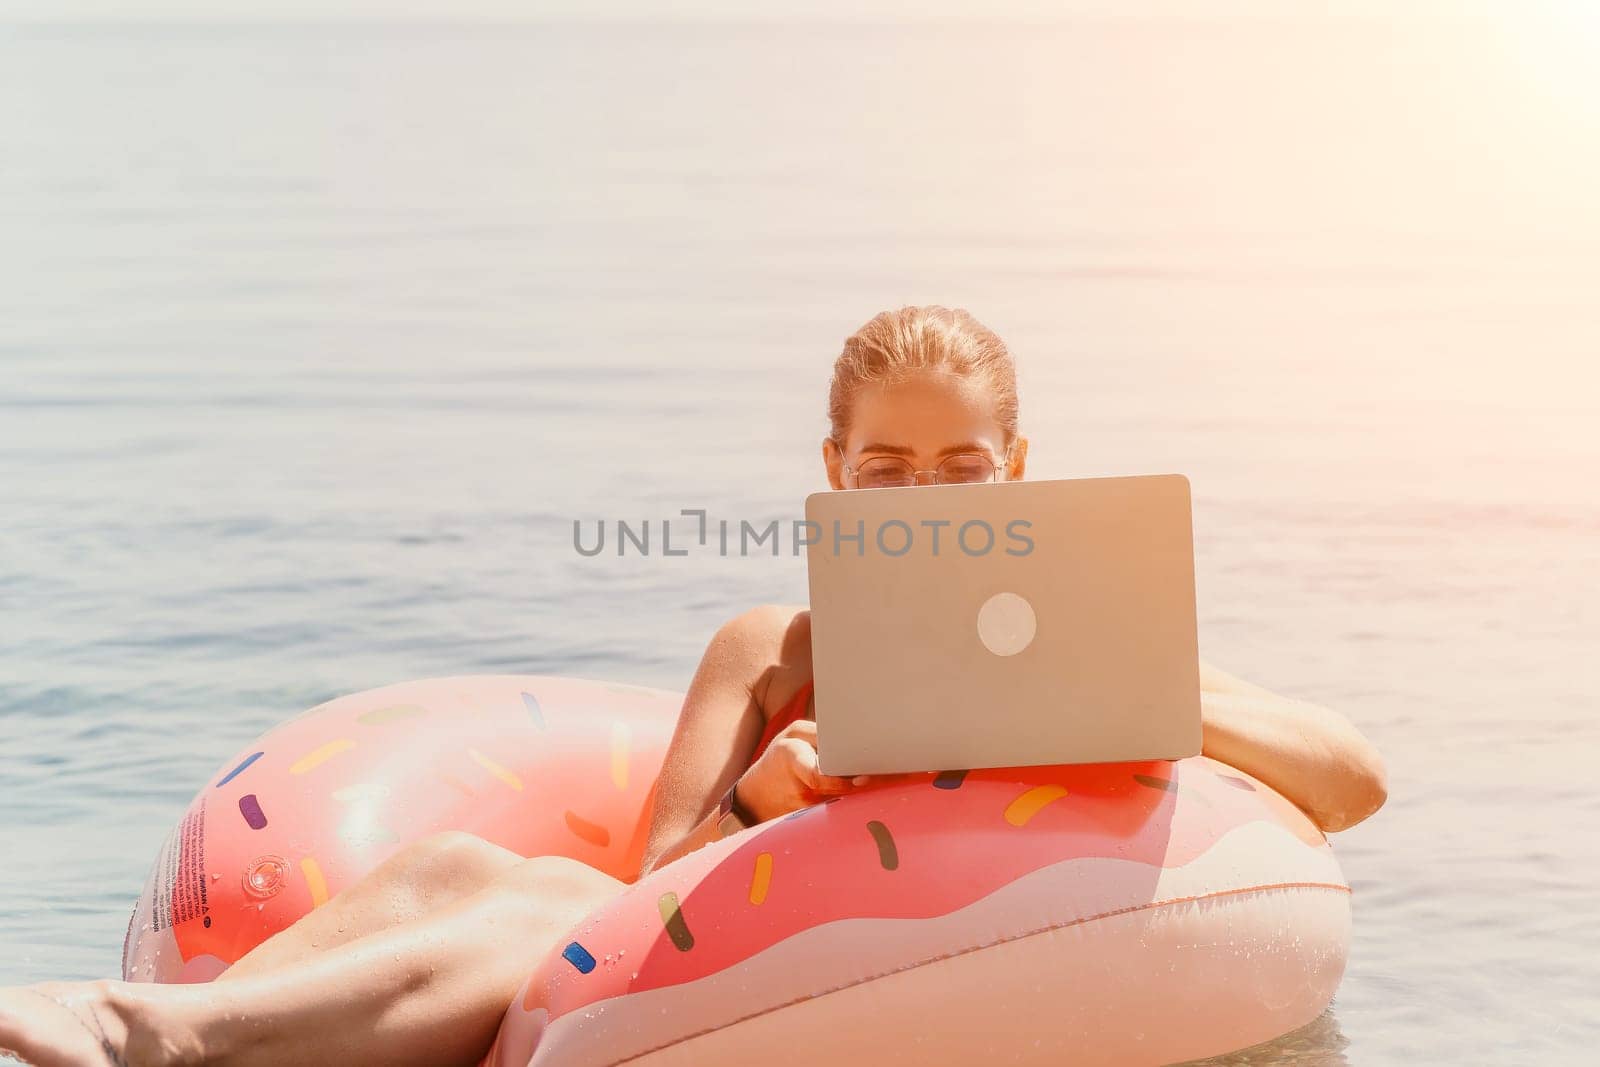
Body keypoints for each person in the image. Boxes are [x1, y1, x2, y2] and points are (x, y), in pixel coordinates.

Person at [0, 305, 1388, 1067]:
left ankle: (159, 1037)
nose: (921, 500)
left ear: (1016, 468)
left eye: (959, 472)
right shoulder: (772, 649)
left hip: (998, 953)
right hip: (701, 980)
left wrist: (1134, 690)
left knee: (526, 899)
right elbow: (658, 879)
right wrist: (776, 796)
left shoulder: (1108, 634)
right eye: (886, 473)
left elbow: (1353, 782)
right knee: (460, 866)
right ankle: (167, 1036)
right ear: (835, 473)